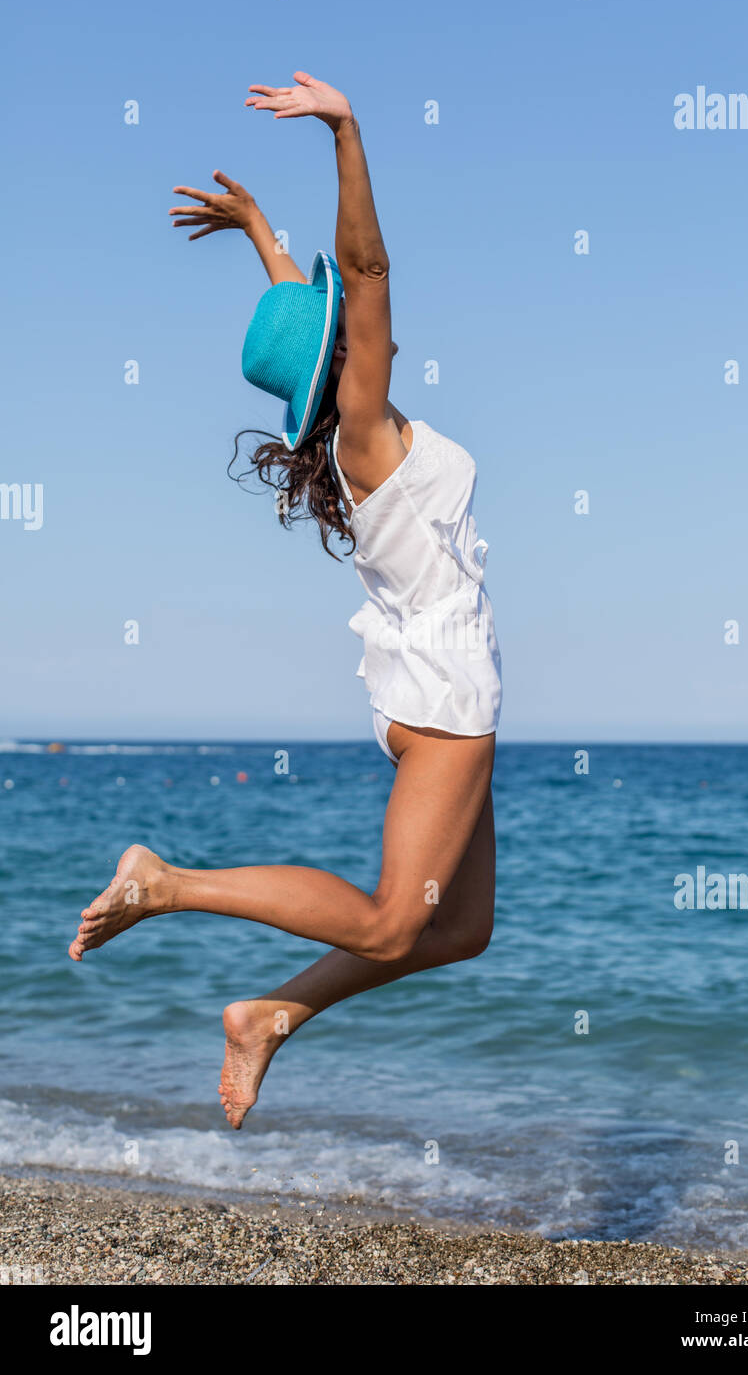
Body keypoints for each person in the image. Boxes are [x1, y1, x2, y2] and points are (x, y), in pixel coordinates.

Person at [68, 72, 502, 1130]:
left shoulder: (348, 431)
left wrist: (261, 232)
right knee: (395, 920)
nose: (371, 326)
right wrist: (347, 130)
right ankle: (167, 884)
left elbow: (315, 316)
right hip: (445, 694)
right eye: (355, 333)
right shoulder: (363, 427)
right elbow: (363, 266)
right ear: (344, 362)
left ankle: (271, 1015)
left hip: (422, 686)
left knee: (458, 930)